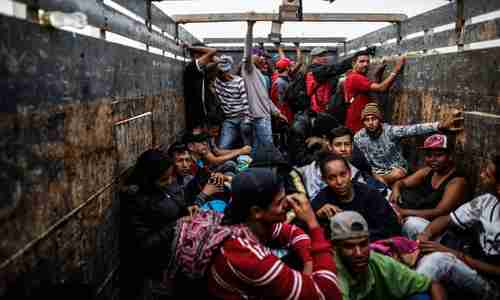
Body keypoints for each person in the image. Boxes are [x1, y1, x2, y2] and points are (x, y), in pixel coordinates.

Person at [207, 168, 342, 300]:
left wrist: (308, 261)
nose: (287, 204)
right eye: (279, 202)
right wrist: (313, 224)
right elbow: (327, 293)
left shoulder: (249, 225)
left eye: (285, 198)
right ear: (257, 212)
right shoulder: (248, 257)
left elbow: (292, 232)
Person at [415, 155, 500, 299]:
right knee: (413, 224)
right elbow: (447, 219)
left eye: (487, 175)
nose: (481, 175)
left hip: (490, 284)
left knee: (437, 261)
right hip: (466, 256)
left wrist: (453, 254)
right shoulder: (487, 201)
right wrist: (426, 235)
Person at [121, 149, 198, 298]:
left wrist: (186, 209)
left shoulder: (165, 186)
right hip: (160, 266)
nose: (169, 182)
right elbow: (144, 244)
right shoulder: (137, 201)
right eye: (164, 179)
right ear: (149, 179)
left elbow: (173, 200)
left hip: (176, 251)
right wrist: (176, 224)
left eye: (170, 177)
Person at [329, 211, 445, 300]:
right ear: (335, 247)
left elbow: (432, 285)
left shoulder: (379, 263)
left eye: (363, 244)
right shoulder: (330, 277)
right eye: (349, 246)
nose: (359, 253)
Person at [354, 103, 463, 186]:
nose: (370, 123)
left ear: (379, 119)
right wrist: (374, 173)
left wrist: (439, 125)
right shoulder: (359, 137)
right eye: (367, 120)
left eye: (374, 119)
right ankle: (378, 182)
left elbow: (413, 129)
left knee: (398, 174)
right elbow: (362, 159)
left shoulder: (390, 131)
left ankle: (379, 182)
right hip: (375, 170)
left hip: (395, 169)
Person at [390, 134, 467, 240]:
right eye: (429, 155)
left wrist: (404, 212)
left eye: (439, 155)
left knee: (410, 224)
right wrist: (395, 191)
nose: (432, 159)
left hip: (435, 228)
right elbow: (401, 183)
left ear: (450, 156)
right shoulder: (428, 171)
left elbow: (440, 211)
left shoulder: (457, 181)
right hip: (414, 211)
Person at [312, 154, 401, 241]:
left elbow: (392, 228)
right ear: (324, 179)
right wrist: (318, 216)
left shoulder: (370, 195)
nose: (339, 181)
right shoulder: (322, 201)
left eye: (343, 175)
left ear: (350, 173)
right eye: (332, 178)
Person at [300, 126, 380, 201]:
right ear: (330, 147)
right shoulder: (315, 168)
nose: (343, 149)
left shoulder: (356, 174)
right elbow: (312, 196)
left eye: (347, 144)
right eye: (338, 145)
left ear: (352, 147)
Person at [242, 21, 287, 153]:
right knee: (268, 150)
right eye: (259, 55)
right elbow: (247, 49)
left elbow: (265, 98)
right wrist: (250, 27)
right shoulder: (248, 70)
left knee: (257, 151)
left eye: (263, 56)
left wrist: (277, 113)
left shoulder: (260, 75)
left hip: (264, 116)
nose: (262, 58)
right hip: (258, 117)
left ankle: (256, 172)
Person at [343, 50, 405, 133]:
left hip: (357, 121)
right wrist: (396, 70)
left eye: (367, 61)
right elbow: (381, 88)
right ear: (353, 64)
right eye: (361, 61)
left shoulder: (352, 76)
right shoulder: (355, 78)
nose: (365, 64)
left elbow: (370, 88)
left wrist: (377, 75)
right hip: (359, 124)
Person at [213, 55, 253, 149]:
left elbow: (245, 101)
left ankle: (245, 164)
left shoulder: (239, 81)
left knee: (246, 147)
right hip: (229, 119)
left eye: (223, 72)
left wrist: (247, 120)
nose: (220, 74)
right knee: (223, 147)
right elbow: (212, 59)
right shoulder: (217, 82)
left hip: (243, 118)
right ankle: (229, 163)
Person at [306, 47, 352, 113]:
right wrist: (354, 59)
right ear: (314, 58)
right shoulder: (316, 71)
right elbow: (337, 68)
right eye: (321, 56)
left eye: (325, 56)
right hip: (319, 108)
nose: (325, 58)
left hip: (322, 106)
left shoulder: (318, 70)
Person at [183, 43, 217, 130]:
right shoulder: (193, 66)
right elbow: (213, 51)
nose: (207, 57)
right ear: (196, 54)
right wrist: (191, 48)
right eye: (203, 54)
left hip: (201, 116)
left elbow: (217, 60)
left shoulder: (201, 69)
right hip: (195, 116)